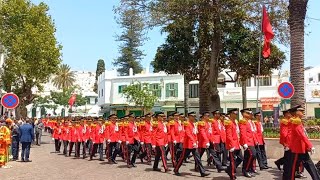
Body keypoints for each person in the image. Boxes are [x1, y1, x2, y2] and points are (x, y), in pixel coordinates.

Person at [286, 105, 320, 180]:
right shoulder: (296, 122)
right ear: (296, 113)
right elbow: (302, 135)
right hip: (297, 149)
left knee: (310, 165)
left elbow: (303, 134)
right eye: (301, 111)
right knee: (292, 168)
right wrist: (310, 146)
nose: (303, 113)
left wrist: (307, 146)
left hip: (302, 148)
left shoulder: (298, 121)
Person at [174, 111, 210, 177]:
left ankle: (202, 172)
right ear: (189, 116)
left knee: (198, 158)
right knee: (182, 158)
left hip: (194, 144)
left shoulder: (193, 124)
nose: (194, 117)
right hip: (188, 144)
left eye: (194, 116)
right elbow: (188, 134)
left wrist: (196, 141)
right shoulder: (187, 124)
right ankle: (176, 169)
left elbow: (195, 134)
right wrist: (193, 142)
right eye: (192, 116)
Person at [225, 109, 243, 180]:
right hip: (232, 144)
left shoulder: (235, 122)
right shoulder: (228, 122)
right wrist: (231, 145)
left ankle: (229, 170)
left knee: (241, 158)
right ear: (231, 114)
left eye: (236, 113)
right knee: (232, 160)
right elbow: (229, 135)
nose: (236, 115)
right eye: (234, 113)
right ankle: (232, 175)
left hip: (237, 143)